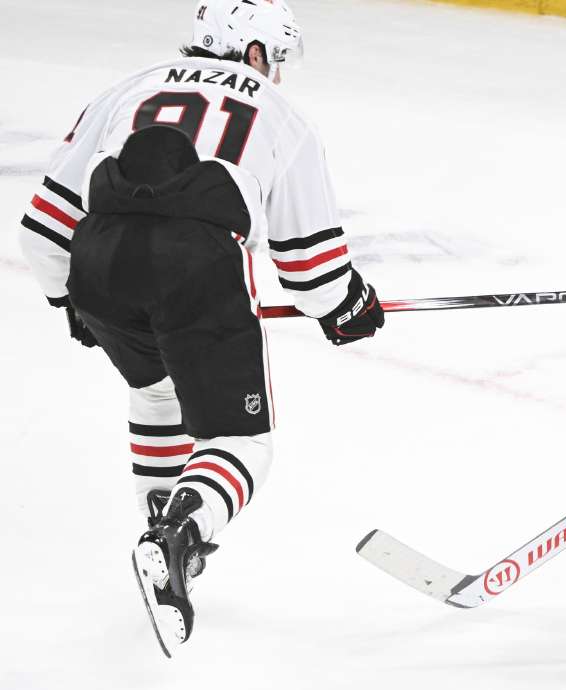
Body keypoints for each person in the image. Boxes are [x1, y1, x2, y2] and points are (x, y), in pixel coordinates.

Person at [17, 0, 384, 657]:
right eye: (273, 58)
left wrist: (67, 300)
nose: (275, 73)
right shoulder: (282, 115)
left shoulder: (129, 86)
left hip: (100, 262)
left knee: (156, 390)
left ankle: (163, 538)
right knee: (243, 441)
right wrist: (349, 308)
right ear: (252, 52)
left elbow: (42, 227)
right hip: (197, 268)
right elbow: (311, 270)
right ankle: (180, 533)